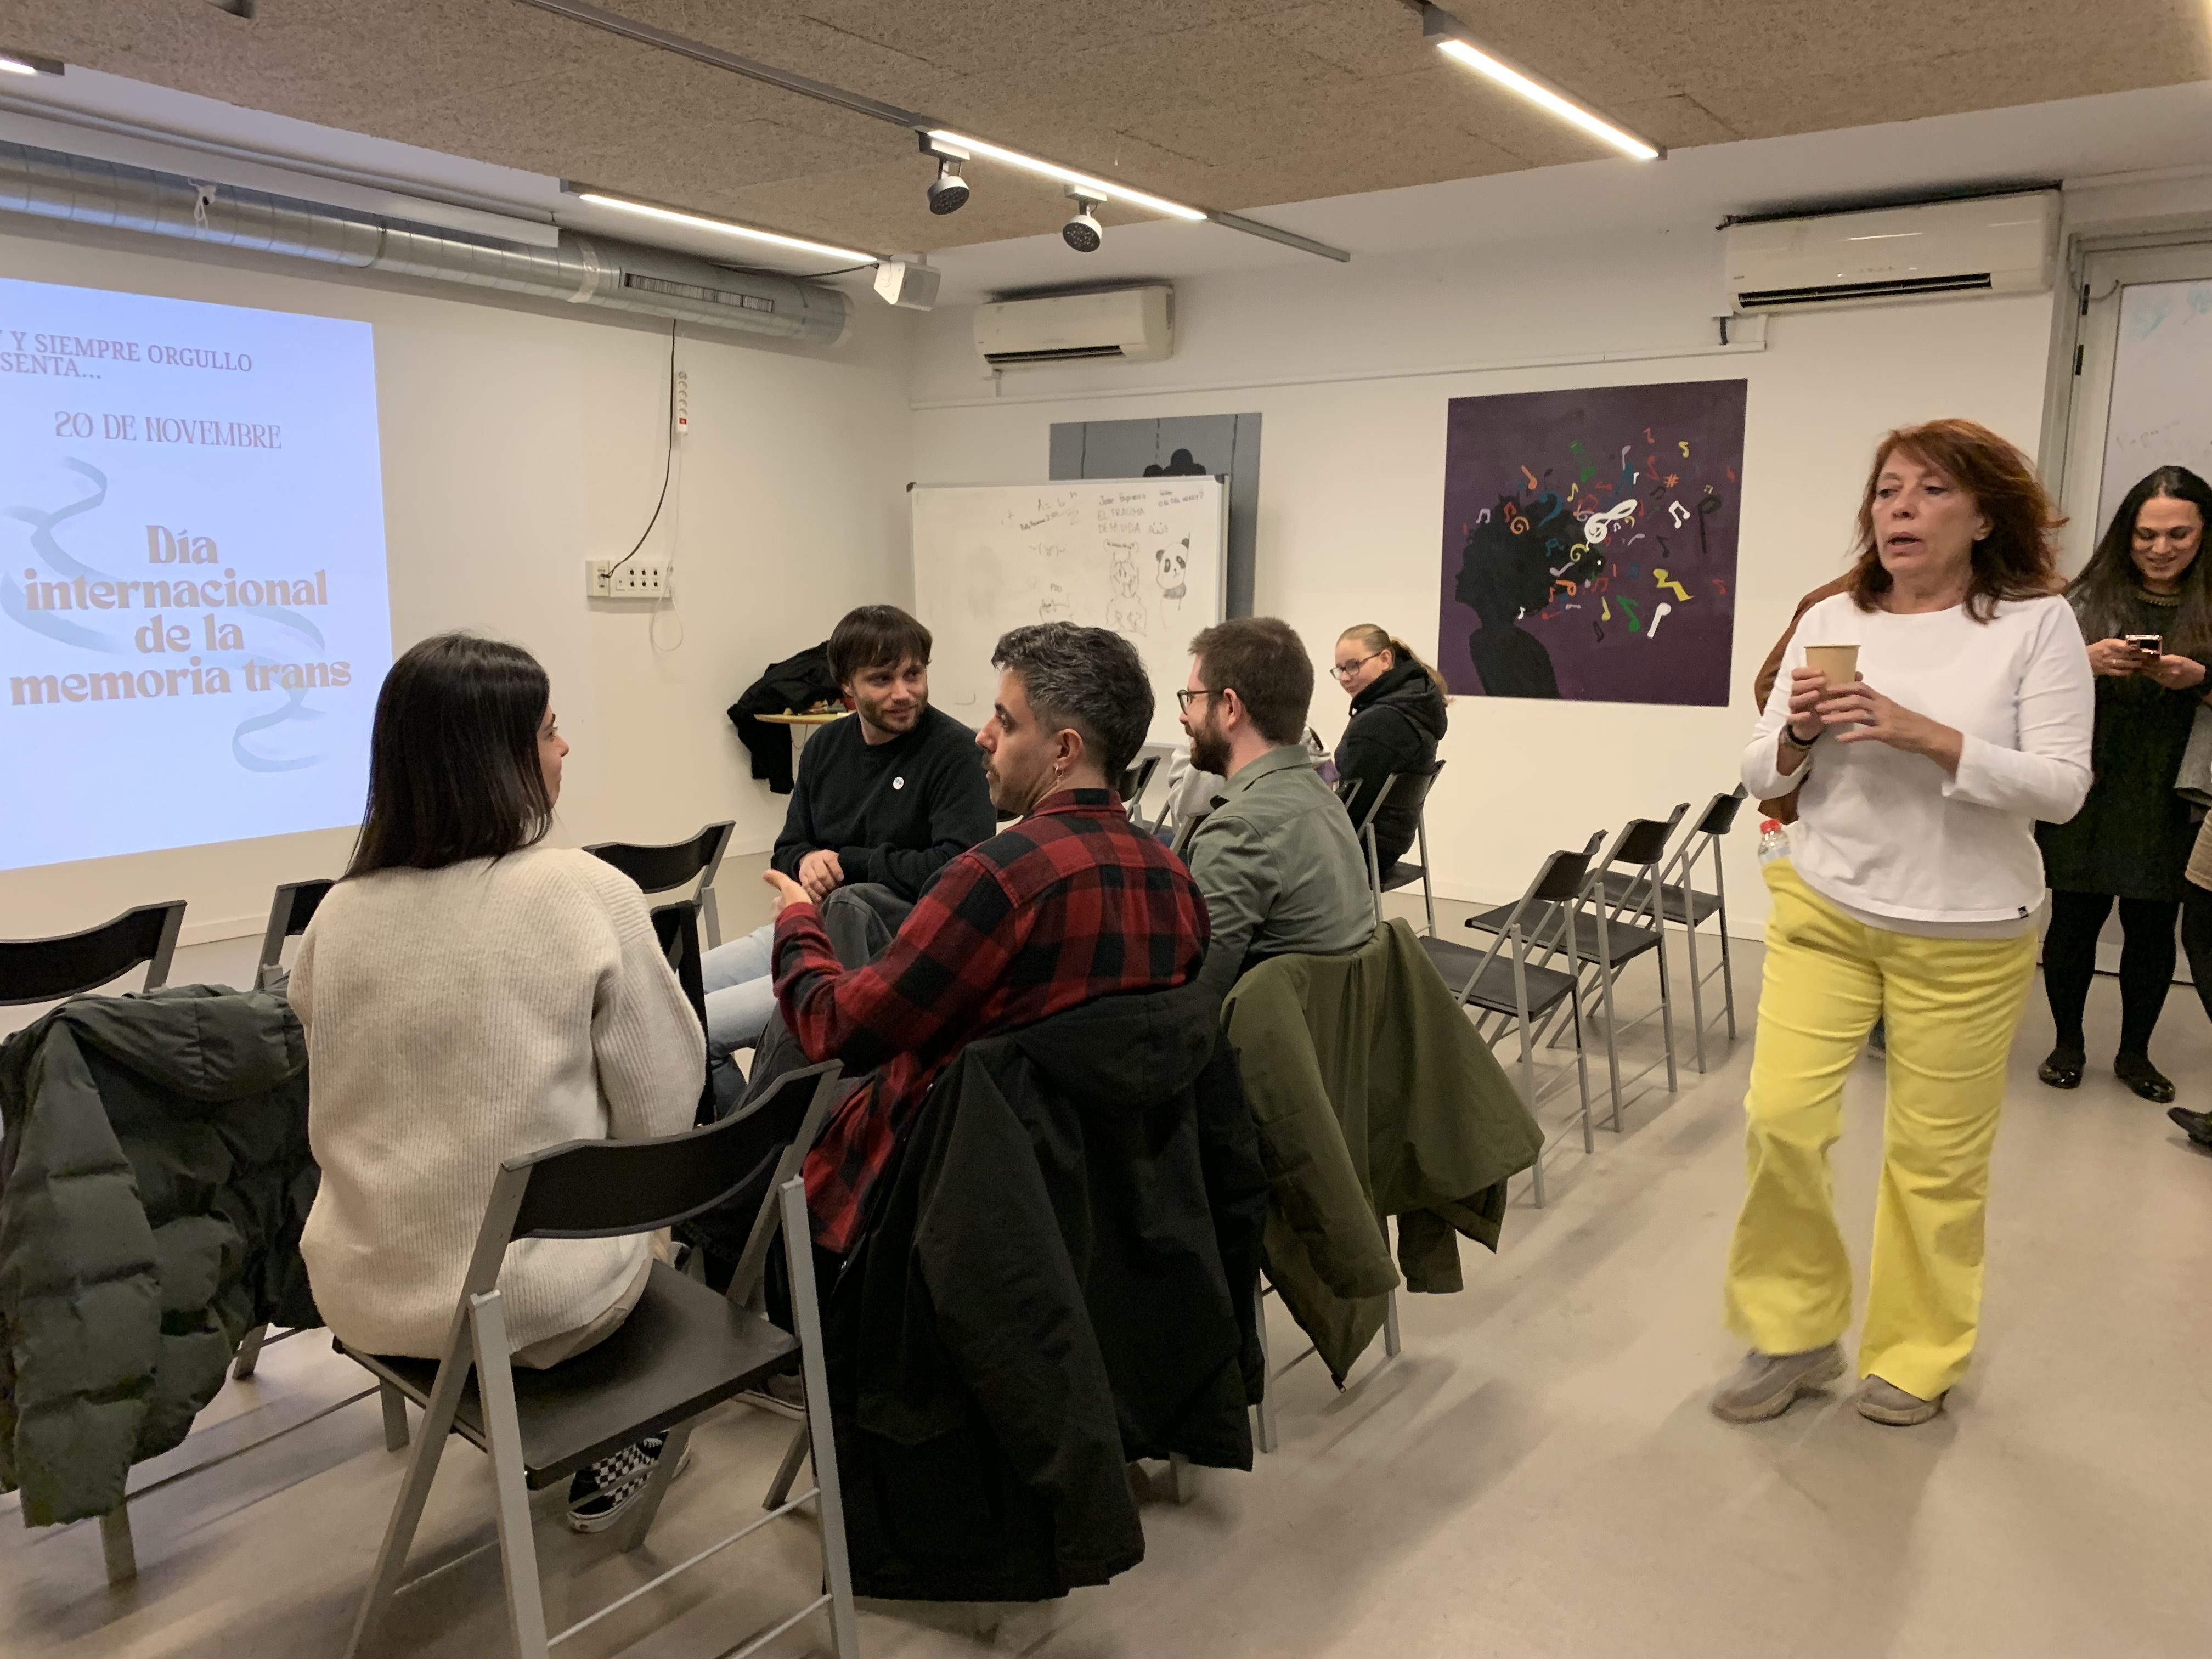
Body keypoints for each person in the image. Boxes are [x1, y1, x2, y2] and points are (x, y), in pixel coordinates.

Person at [1712, 419, 2092, 1429]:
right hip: (1824, 905)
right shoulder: (1834, 614)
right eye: (1887, 492)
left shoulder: (2033, 625)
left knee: (1934, 1159)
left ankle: (1916, 1350)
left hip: (1966, 930)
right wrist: (1793, 730)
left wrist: (1925, 734)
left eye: (1928, 491)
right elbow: (1759, 768)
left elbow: (2060, 790)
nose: (1900, 510)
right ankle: (1790, 1331)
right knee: (1779, 1120)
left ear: (1981, 514)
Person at [292, 633, 703, 1531]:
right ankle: (636, 1422)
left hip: (368, 1294)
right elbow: (666, 1115)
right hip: (541, 1307)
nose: (564, 748)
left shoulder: (333, 917)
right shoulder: (583, 892)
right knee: (666, 1212)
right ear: (502, 758)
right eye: (550, 730)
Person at [759, 623, 1210, 1254]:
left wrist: (798, 919)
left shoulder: (995, 882)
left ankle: (732, 1257)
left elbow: (838, 1032)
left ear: (1064, 750)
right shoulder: (1177, 884)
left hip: (942, 1188)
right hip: (1103, 1202)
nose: (983, 736)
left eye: (1006, 720)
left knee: (786, 1039)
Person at [699, 605, 996, 1084]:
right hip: (804, 929)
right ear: (847, 689)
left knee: (698, 1031)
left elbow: (956, 872)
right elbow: (788, 849)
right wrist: (811, 861)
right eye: (882, 680)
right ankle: (768, 1151)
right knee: (673, 997)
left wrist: (843, 862)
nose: (904, 693)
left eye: (913, 675)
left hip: (881, 955)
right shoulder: (824, 746)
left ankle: (762, 1155)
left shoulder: (957, 754)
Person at [2033, 466, 2212, 1103]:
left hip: (2174, 791)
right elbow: (2029, 682)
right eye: (2145, 536)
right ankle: (2067, 1045)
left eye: (2178, 535)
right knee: (2074, 919)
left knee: (2152, 928)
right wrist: (2084, 663)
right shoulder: (2079, 601)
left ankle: (2136, 1054)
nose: (2160, 549)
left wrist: (2197, 679)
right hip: (2090, 780)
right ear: (2124, 535)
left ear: (2204, 535)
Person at [1176, 617, 1375, 1006]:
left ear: (1230, 707)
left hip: (1265, 1054)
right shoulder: (1325, 801)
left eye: (1192, 698)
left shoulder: (1238, 833)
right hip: (1323, 1049)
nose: (1184, 715)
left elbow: (1194, 1004)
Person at [1330, 624, 1450, 879]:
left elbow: (1351, 808)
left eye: (1354, 666)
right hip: (1388, 844)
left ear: (1385, 659)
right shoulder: (1417, 701)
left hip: (1358, 850)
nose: (1344, 677)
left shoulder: (1381, 722)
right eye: (1340, 669)